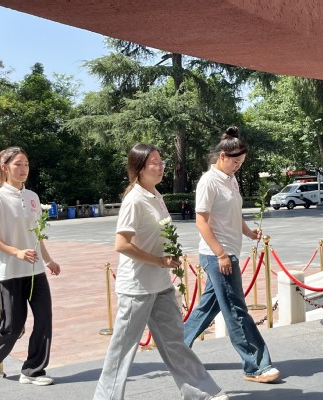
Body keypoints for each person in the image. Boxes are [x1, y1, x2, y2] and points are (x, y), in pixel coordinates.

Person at [94, 143, 228, 400]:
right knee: (122, 349)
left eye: (161, 162)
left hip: (161, 284)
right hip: (137, 287)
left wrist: (168, 256)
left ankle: (201, 392)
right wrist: (158, 260)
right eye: (154, 163)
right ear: (139, 168)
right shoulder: (134, 199)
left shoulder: (155, 195)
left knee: (175, 342)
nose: (160, 167)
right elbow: (121, 244)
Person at [183, 126, 281, 383]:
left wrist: (249, 233)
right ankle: (256, 365)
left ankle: (177, 347)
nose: (238, 166)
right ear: (222, 157)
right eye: (236, 162)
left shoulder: (230, 179)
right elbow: (201, 221)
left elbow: (234, 214)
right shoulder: (208, 181)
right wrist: (221, 255)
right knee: (236, 310)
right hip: (218, 256)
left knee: (208, 306)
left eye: (242, 163)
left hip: (228, 253)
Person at [0, 146, 61, 386]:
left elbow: (37, 234)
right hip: (10, 272)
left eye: (26, 164)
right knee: (13, 325)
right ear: (4, 167)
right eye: (18, 164)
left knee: (44, 319)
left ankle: (33, 370)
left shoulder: (32, 197)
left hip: (35, 271)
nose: (24, 169)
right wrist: (16, 252)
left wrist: (48, 260)